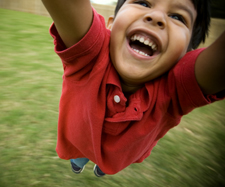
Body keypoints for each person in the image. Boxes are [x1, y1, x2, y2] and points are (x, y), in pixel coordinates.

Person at [41, 0, 225, 177]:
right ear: (111, 25)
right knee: (78, 158)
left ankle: (104, 166)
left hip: (119, 158)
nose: (156, 16)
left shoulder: (176, 90)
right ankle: (78, 164)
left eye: (178, 17)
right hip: (78, 145)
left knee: (110, 163)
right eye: (143, 3)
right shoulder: (89, 54)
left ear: (186, 54)